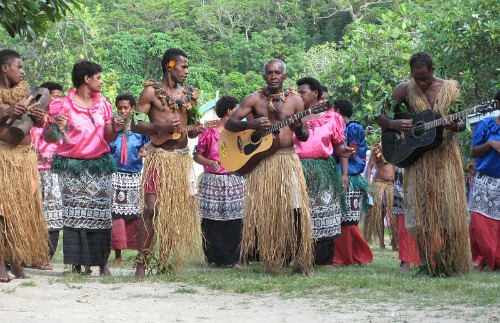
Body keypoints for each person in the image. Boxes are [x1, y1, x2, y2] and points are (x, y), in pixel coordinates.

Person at [377, 51, 470, 276]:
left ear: (432, 70)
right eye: (416, 78)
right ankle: (427, 264)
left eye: (425, 78)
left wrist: (453, 126)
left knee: (449, 212)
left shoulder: (450, 89)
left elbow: (462, 123)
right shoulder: (403, 90)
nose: (421, 82)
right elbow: (380, 117)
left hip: (445, 157)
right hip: (417, 159)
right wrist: (394, 123)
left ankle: (449, 264)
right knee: (420, 214)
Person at [225, 59, 314, 276]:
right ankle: (270, 259)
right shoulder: (254, 99)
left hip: (287, 159)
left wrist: (298, 128)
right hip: (262, 162)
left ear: (285, 76)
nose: (273, 76)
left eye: (278, 72)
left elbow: (304, 135)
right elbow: (230, 123)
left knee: (297, 210)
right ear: (264, 75)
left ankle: (301, 259)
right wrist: (250, 124)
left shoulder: (296, 101)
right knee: (267, 213)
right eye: (269, 72)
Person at [44, 60, 122, 276]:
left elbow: (108, 135)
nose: (101, 81)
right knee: (75, 215)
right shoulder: (62, 105)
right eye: (98, 77)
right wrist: (57, 127)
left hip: (99, 166)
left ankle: (101, 263)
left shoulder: (103, 104)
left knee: (100, 215)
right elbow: (47, 136)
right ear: (86, 79)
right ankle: (76, 263)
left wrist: (116, 128)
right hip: (73, 168)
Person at [131, 48, 204, 278]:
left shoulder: (189, 95)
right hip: (158, 157)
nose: (186, 71)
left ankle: (165, 261)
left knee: (173, 212)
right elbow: (135, 125)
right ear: (170, 65)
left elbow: (191, 133)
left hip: (180, 158)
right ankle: (142, 263)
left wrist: (197, 129)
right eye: (183, 66)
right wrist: (159, 128)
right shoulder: (150, 92)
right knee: (150, 209)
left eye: (187, 67)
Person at [0, 49, 49, 282]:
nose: (22, 71)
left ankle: (18, 263)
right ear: (4, 68)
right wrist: (7, 111)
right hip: (3, 158)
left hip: (24, 157)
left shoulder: (26, 92)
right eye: (18, 66)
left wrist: (39, 118)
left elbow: (30, 123)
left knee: (20, 212)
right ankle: (0, 264)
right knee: (2, 213)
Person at [294, 77, 351, 266]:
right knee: (299, 213)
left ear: (315, 94)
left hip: (323, 169)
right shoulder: (293, 115)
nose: (298, 95)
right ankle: (297, 256)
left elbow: (339, 146)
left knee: (323, 212)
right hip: (296, 168)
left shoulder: (332, 117)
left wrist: (344, 159)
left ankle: (322, 259)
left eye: (302, 92)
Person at [193, 95, 246, 268]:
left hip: (234, 179)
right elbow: (197, 155)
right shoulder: (209, 132)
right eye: (237, 110)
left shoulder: (239, 132)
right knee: (211, 221)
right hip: (213, 181)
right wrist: (208, 162)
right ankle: (214, 258)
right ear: (230, 111)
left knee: (235, 220)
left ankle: (234, 259)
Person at [108, 93, 150, 265]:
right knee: (116, 215)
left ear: (133, 108)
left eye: (126, 108)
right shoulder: (112, 128)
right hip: (115, 174)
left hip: (134, 175)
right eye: (120, 108)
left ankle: (136, 251)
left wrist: (145, 149)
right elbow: (106, 144)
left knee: (134, 215)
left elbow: (151, 141)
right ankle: (117, 254)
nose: (123, 111)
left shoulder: (140, 127)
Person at [333, 99, 373, 266]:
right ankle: (342, 256)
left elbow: (352, 153)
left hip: (351, 178)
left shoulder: (354, 127)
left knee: (349, 220)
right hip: (341, 176)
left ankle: (355, 255)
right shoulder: (337, 125)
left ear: (337, 110)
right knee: (340, 220)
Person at [30, 81, 64, 270]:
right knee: (33, 215)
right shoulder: (31, 115)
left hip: (53, 172)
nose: (57, 99)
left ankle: (45, 257)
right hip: (31, 171)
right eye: (54, 95)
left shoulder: (59, 120)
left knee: (53, 216)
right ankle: (27, 255)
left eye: (60, 95)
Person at [468, 90, 500, 271]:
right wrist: (490, 144)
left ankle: (493, 260)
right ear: (498, 104)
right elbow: (473, 152)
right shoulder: (486, 124)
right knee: (478, 225)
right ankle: (483, 258)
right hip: (484, 181)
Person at [364, 142, 398, 250]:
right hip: (379, 184)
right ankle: (381, 242)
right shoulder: (378, 149)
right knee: (380, 213)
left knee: (396, 214)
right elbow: (369, 167)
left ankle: (395, 241)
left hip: (393, 185)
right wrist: (367, 185)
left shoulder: (398, 147)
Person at [393, 167, 420, 271]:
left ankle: (428, 260)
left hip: (420, 170)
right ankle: (405, 260)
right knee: (403, 226)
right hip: (402, 172)